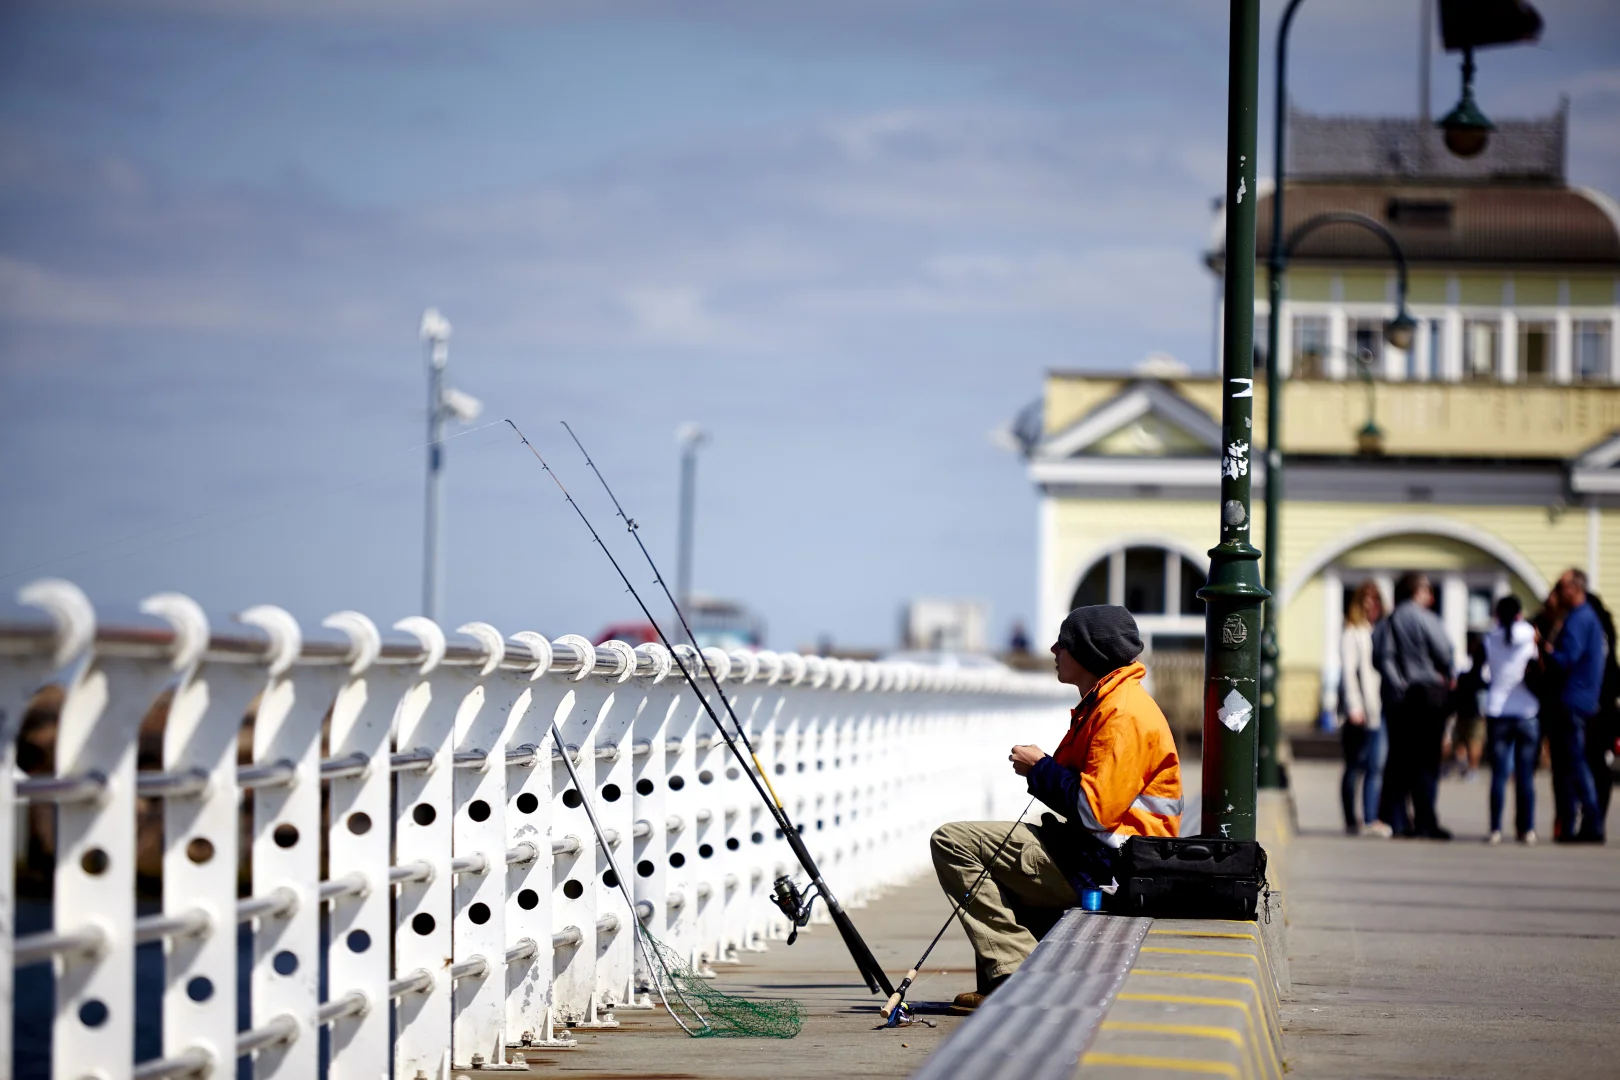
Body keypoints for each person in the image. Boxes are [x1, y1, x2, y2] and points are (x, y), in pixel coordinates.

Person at [930, 605, 1181, 1012]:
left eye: (1063, 643)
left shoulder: (1122, 714)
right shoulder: (1110, 702)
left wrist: (1040, 768)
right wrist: (1044, 770)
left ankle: (1018, 975)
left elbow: (1094, 813)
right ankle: (1005, 978)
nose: (1052, 649)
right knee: (992, 849)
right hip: (1106, 857)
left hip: (1116, 869)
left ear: (1088, 654)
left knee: (953, 841)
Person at [1373, 572, 1455, 840]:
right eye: (1427, 589)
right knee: (1428, 762)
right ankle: (1426, 820)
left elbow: (1382, 659)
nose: (1430, 595)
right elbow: (1445, 652)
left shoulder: (1388, 621)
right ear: (1417, 591)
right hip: (1428, 696)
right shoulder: (1426, 618)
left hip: (1400, 701)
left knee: (1399, 761)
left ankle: (1398, 820)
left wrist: (1399, 685)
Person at [1544, 569, 1608, 843]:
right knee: (1576, 764)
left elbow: (1565, 659)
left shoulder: (1579, 619)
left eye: (1561, 586)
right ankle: (1576, 823)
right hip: (1584, 699)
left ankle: (1592, 821)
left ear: (1575, 588)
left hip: (1573, 699)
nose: (1558, 591)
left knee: (1576, 765)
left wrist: (1544, 649)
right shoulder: (1587, 618)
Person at [1482, 595, 1540, 845]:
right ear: (1519, 613)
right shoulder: (1530, 635)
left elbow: (1484, 672)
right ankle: (1526, 828)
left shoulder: (1490, 638)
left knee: (1499, 774)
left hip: (1498, 710)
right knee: (1525, 776)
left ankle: (1496, 828)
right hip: (1527, 709)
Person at [1339, 581, 1390, 837]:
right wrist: (1353, 705)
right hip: (1361, 710)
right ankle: (1350, 818)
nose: (1372, 604)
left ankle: (1371, 818)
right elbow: (1349, 673)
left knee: (1376, 765)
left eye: (1376, 599)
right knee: (1354, 766)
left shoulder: (1380, 630)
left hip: (1380, 707)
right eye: (1366, 599)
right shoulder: (1352, 633)